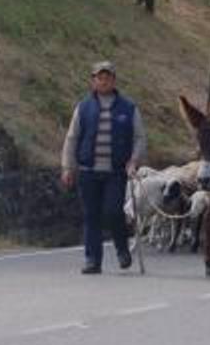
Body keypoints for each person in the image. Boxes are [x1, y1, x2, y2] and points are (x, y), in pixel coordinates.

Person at [60, 61, 147, 274]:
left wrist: (134, 160)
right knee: (91, 216)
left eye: (107, 76)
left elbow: (139, 138)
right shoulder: (83, 107)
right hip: (88, 171)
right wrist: (67, 167)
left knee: (112, 211)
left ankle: (122, 249)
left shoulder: (128, 108)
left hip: (116, 172)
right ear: (93, 80)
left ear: (114, 80)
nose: (104, 80)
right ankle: (92, 260)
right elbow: (72, 138)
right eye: (99, 77)